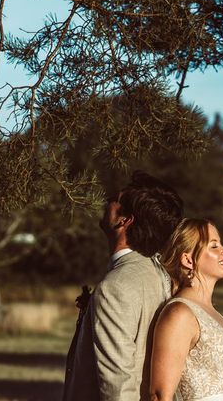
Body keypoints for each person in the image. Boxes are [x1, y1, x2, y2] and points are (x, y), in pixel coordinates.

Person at [63, 171, 183, 401]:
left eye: (113, 199)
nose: (106, 202)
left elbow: (118, 383)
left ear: (124, 219)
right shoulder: (160, 274)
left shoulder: (116, 286)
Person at [150, 218, 223, 401]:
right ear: (188, 260)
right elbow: (159, 394)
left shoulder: (210, 312)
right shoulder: (179, 313)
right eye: (214, 246)